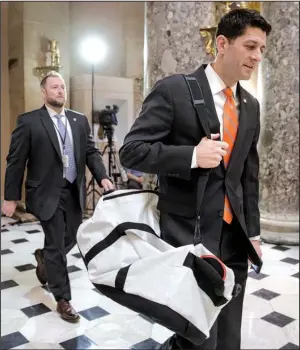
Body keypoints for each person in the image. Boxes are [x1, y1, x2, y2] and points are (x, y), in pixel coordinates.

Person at [119, 9, 271, 350]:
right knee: (197, 338)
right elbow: (132, 152)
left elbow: (249, 177)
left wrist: (255, 233)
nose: (257, 56)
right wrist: (191, 156)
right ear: (222, 43)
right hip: (190, 236)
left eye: (262, 49)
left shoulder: (250, 105)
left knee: (230, 336)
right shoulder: (176, 90)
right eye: (250, 46)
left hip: (235, 239)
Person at [2, 71, 114, 323]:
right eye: (54, 87)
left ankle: (44, 259)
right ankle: (63, 298)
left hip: (73, 190)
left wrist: (102, 176)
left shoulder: (78, 120)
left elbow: (90, 151)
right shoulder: (29, 121)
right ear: (43, 92)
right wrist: (10, 197)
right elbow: (15, 160)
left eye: (62, 87)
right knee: (55, 243)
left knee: (72, 236)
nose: (60, 91)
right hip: (45, 192)